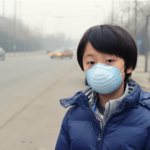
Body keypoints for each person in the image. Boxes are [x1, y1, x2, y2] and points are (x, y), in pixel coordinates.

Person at [55, 25, 150, 150]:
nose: (99, 69)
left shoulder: (146, 115)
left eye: (109, 60)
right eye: (91, 62)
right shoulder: (73, 115)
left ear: (129, 66)